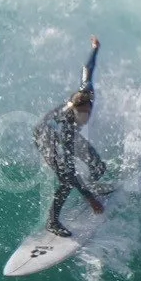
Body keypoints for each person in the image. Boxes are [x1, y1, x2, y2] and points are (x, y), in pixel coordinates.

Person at [34, 37, 109, 237]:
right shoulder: (66, 128)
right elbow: (71, 172)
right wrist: (89, 199)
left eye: (87, 113)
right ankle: (52, 221)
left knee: (98, 165)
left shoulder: (87, 92)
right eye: (81, 115)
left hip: (61, 132)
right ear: (73, 111)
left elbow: (88, 68)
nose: (85, 118)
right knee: (66, 179)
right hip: (46, 137)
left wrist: (95, 49)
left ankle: (93, 186)